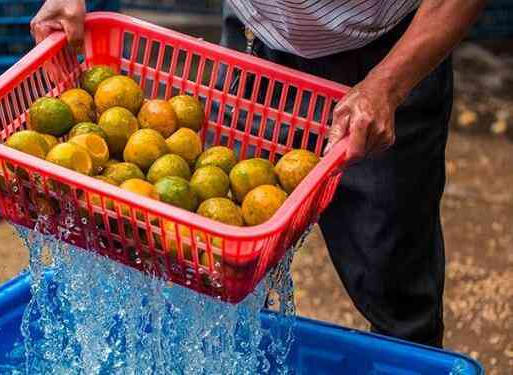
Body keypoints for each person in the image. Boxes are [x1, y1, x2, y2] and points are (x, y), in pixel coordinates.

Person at [31, 0, 486, 348]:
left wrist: (387, 85)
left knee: (394, 284)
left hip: (383, 52)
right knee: (222, 259)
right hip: (257, 36)